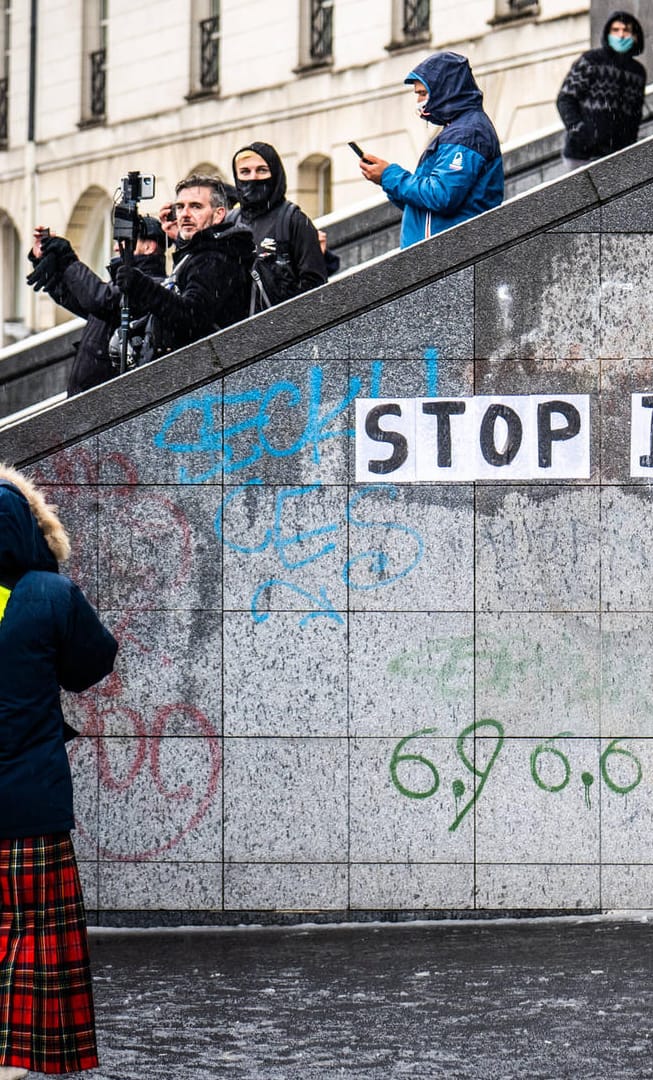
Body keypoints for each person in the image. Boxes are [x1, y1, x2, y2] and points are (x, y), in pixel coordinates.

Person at [0, 465, 118, 1078]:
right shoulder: (48, 593)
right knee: (29, 928)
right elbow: (89, 665)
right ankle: (13, 1055)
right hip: (30, 800)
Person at [358, 52, 504, 249]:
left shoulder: (466, 133)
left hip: (449, 256)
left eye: (422, 93)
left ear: (445, 90)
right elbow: (425, 205)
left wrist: (389, 176)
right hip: (438, 255)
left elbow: (442, 196)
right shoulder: (456, 130)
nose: (418, 101)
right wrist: (385, 180)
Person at [115, 175, 253, 365]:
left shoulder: (217, 257)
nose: (185, 214)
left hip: (206, 371)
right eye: (180, 207)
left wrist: (142, 286)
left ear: (219, 214)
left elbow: (192, 316)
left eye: (196, 206)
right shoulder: (201, 252)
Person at [24, 216, 167, 394]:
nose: (116, 247)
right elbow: (77, 299)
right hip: (91, 398)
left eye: (124, 241)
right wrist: (51, 264)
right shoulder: (124, 284)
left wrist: (67, 259)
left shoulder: (151, 285)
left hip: (105, 401)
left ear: (148, 246)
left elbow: (100, 299)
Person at [230, 142, 327, 313]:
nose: (253, 177)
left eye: (262, 170)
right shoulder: (230, 222)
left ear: (275, 174)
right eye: (245, 172)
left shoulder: (294, 220)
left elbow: (314, 284)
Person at [556, 12, 647, 170]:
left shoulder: (638, 72)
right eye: (615, 30)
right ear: (608, 33)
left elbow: (635, 114)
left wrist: (630, 144)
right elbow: (565, 98)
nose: (621, 35)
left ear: (635, 36)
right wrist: (579, 131)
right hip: (582, 154)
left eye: (626, 30)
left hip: (617, 155)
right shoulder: (591, 60)